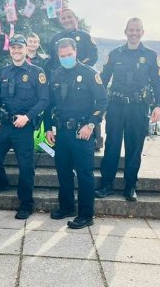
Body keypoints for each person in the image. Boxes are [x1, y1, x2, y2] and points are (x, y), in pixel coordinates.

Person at [95, 18, 160, 201]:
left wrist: (159, 105)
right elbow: (102, 80)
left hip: (138, 108)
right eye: (131, 30)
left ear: (142, 32)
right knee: (112, 146)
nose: (134, 33)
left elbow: (158, 82)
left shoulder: (150, 56)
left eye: (137, 30)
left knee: (134, 148)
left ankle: (130, 186)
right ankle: (106, 184)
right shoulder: (115, 54)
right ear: (125, 31)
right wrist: (99, 105)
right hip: (116, 107)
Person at [44, 38, 108, 229]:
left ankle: (86, 215)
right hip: (62, 132)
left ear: (76, 52)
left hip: (83, 133)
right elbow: (48, 105)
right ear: (58, 55)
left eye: (69, 55)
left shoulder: (89, 73)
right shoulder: (55, 75)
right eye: (62, 56)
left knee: (84, 174)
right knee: (63, 172)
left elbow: (102, 101)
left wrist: (90, 125)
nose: (66, 58)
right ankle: (67, 207)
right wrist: (48, 128)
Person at [0, 34, 49, 220]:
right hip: (4, 125)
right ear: (10, 50)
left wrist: (28, 117)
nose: (16, 51)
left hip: (24, 126)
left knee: (26, 166)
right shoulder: (4, 72)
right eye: (13, 48)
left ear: (26, 49)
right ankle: (2, 182)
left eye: (19, 47)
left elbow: (45, 100)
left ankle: (26, 203)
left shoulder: (36, 72)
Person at [46, 8, 103, 150]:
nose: (66, 20)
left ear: (75, 18)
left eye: (69, 17)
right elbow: (52, 60)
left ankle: (95, 139)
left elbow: (93, 56)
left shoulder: (85, 37)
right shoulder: (55, 38)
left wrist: (79, 70)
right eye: (63, 18)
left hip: (82, 80)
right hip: (61, 81)